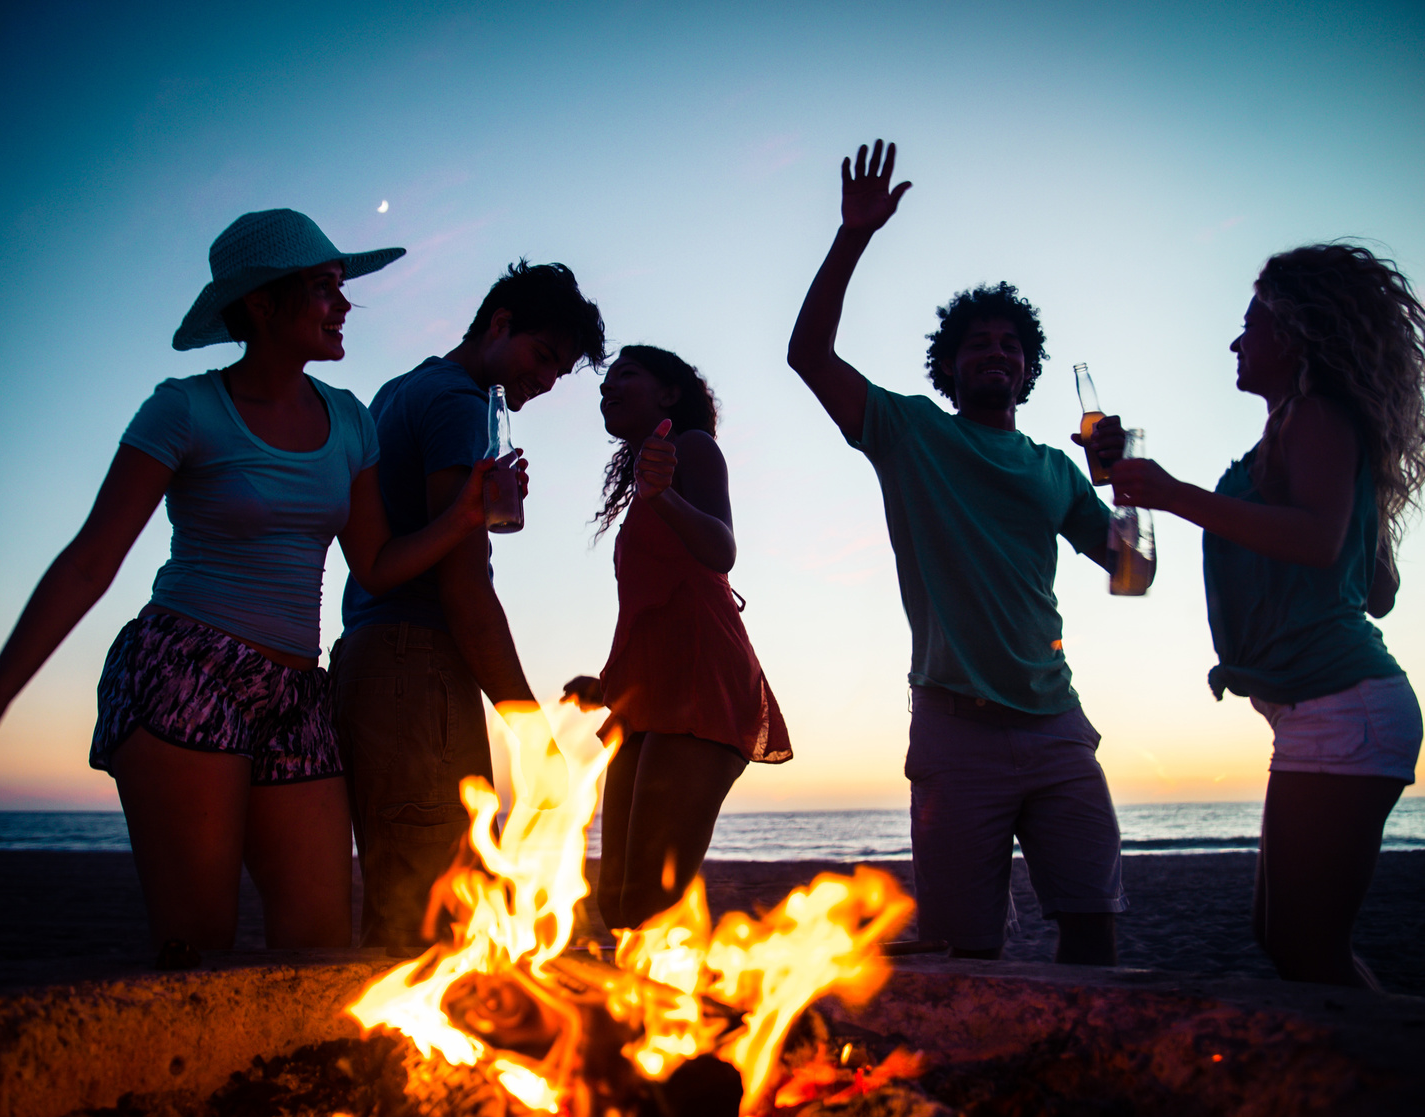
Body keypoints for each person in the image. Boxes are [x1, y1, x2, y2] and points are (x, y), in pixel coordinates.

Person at [0, 209, 502, 956]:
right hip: (188, 672)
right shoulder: (186, 408)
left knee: (318, 950)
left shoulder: (349, 421)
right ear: (262, 304)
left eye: (342, 287)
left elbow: (373, 564)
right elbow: (88, 562)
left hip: (298, 692)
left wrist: (461, 518)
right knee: (199, 947)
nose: (344, 305)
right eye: (323, 287)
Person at [786, 141, 1133, 965]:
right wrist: (853, 236)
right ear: (947, 366)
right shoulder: (910, 432)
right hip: (954, 729)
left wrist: (1118, 482)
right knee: (963, 949)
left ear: (1027, 370)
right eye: (976, 343)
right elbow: (807, 355)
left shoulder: (1054, 469)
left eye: (1010, 345)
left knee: (1092, 922)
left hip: (1057, 727)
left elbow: (1133, 574)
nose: (994, 353)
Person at [1109, 244, 1425, 988]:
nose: (1236, 340)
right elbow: (1374, 586)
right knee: (1281, 936)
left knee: (1303, 945)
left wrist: (1172, 493)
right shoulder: (1296, 428)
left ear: (1294, 332)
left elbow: (1320, 542)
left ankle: (1396, 1072)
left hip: (1342, 705)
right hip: (1326, 707)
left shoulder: (1315, 414)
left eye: (1250, 322)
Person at [333, 261, 606, 950]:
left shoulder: (405, 389)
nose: (544, 381)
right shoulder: (457, 403)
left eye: (559, 372)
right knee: (427, 921)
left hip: (377, 657)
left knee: (410, 894)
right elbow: (463, 584)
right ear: (498, 323)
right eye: (542, 356)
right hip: (413, 662)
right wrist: (527, 725)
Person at [561, 346, 792, 931]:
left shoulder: (691, 449)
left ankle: (676, 1018)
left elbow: (720, 551)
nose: (607, 388)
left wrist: (662, 497)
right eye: (604, 382)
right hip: (649, 698)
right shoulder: (648, 477)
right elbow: (654, 609)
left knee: (647, 906)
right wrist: (608, 683)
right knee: (615, 903)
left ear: (669, 394)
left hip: (702, 686)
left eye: (626, 376)